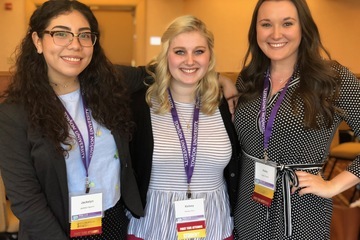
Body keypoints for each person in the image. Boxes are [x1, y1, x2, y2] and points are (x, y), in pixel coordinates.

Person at [0, 1, 144, 239]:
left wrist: (218, 80)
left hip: (115, 222)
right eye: (61, 34)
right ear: (37, 41)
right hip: (54, 229)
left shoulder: (110, 84)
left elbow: (158, 72)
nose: (75, 45)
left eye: (84, 35)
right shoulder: (14, 114)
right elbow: (27, 200)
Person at [233, 0, 360, 239]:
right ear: (255, 31)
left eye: (287, 23)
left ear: (304, 28)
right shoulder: (248, 79)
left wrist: (333, 185)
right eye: (266, 24)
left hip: (301, 206)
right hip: (249, 201)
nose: (276, 34)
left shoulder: (331, 78)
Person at [127, 15, 240, 240]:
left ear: (210, 56)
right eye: (179, 52)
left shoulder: (224, 103)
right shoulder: (140, 104)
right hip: (152, 226)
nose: (190, 60)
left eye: (199, 51)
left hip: (215, 225)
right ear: (166, 55)